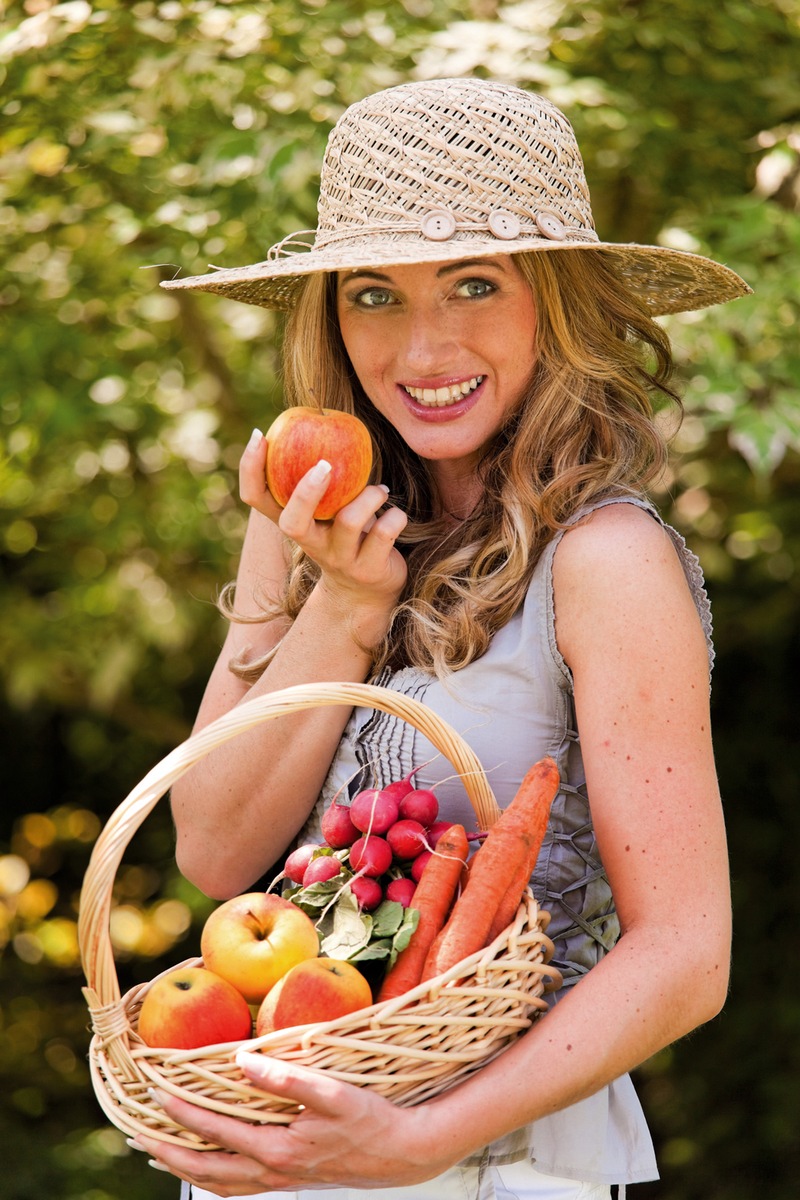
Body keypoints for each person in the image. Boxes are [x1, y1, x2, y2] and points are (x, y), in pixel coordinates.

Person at [131, 78, 750, 1199]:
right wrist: (340, 601)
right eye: (373, 294)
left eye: (474, 285)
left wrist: (419, 1142)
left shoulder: (604, 561)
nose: (422, 347)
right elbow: (214, 855)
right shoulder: (303, 519)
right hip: (277, 1148)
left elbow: (684, 957)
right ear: (330, 316)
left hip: (489, 1169)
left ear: (551, 304)